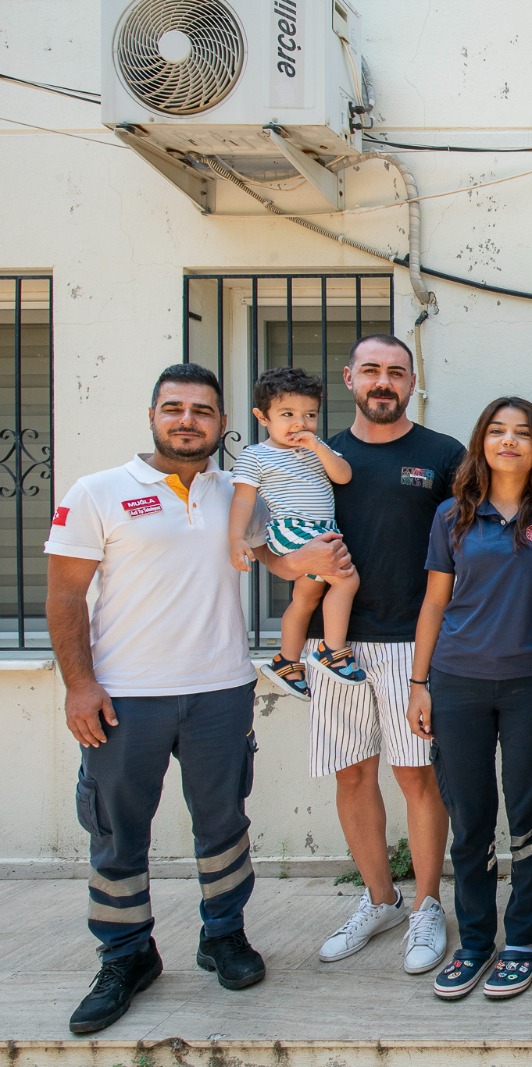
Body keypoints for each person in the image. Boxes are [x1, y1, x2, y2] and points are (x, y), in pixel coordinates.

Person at [46, 363, 349, 1034]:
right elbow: (65, 594)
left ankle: (224, 936)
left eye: (202, 410)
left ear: (222, 422)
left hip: (220, 688)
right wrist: (79, 684)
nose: (188, 420)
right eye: (175, 408)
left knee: (223, 824)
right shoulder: (100, 491)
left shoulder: (238, 492)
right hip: (126, 696)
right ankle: (125, 955)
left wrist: (322, 563)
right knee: (118, 831)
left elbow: (274, 560)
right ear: (153, 413)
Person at [309, 334, 463, 978]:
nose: (383, 381)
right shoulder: (316, 456)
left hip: (413, 644)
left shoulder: (443, 454)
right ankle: (380, 901)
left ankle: (428, 905)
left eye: (395, 372)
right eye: (370, 370)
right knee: (352, 774)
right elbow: (264, 537)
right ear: (349, 378)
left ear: (412, 381)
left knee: (415, 776)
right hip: (335, 643)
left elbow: (470, 546)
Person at [406, 397, 532, 1001]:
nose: (509, 441)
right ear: (482, 441)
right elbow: (433, 605)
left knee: (527, 815)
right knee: (470, 822)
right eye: (497, 430)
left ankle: (521, 941)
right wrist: (419, 685)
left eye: (523, 432)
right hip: (457, 683)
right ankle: (475, 942)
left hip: (531, 686)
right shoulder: (452, 515)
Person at [228, 366, 365, 698]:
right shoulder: (256, 456)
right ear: (263, 417)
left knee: (306, 596)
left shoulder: (315, 452)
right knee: (347, 579)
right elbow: (244, 501)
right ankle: (332, 651)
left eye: (309, 415)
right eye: (287, 414)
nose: (299, 423)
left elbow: (343, 475)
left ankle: (286, 661)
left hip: (323, 530)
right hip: (292, 528)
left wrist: (317, 446)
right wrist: (235, 539)